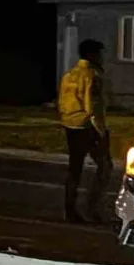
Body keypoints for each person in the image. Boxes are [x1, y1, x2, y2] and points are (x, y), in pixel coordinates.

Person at [58, 39, 111, 223]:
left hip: (70, 124)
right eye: (100, 54)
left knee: (75, 168)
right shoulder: (92, 75)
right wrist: (102, 132)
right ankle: (91, 208)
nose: (102, 58)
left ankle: (69, 209)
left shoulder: (69, 74)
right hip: (88, 126)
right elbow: (94, 107)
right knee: (105, 166)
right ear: (92, 55)